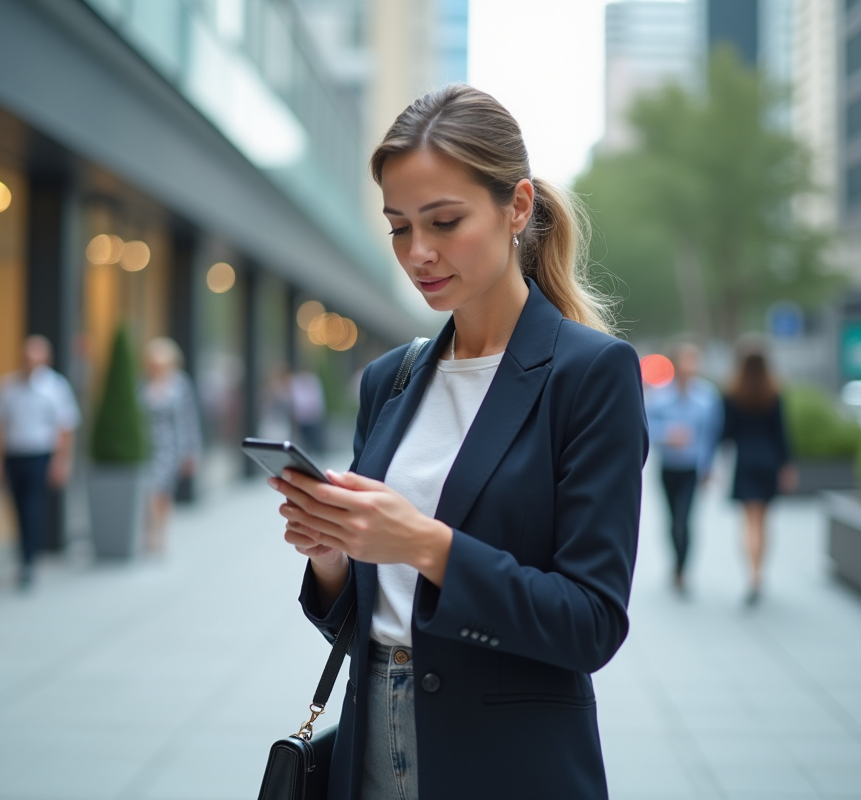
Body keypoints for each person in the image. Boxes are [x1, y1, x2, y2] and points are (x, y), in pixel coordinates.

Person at [267, 85, 648, 799]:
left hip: (508, 760)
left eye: (444, 221)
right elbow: (367, 612)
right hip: (370, 740)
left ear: (519, 207)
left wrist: (425, 545)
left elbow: (592, 624)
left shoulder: (591, 375)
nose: (420, 252)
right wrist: (332, 554)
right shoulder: (391, 378)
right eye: (399, 227)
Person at [0, 335, 80, 589]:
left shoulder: (55, 387)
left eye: (35, 357)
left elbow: (65, 427)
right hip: (14, 453)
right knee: (17, 506)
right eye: (27, 357)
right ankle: (25, 554)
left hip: (40, 454)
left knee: (31, 506)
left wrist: (61, 460)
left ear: (45, 359)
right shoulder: (7, 387)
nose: (30, 362)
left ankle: (29, 559)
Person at [721, 340, 796, 606]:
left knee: (748, 522)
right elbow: (782, 434)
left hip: (745, 462)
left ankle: (751, 575)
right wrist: (787, 465)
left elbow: (726, 434)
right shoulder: (774, 394)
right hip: (769, 462)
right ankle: (760, 573)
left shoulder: (732, 395)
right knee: (763, 522)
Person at [646, 342, 722, 593]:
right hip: (668, 467)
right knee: (671, 520)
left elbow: (711, 436)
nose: (691, 366)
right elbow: (645, 428)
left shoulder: (707, 397)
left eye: (694, 360)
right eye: (686, 360)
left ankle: (682, 569)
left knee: (684, 519)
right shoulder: (658, 397)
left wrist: (708, 466)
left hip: (692, 468)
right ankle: (675, 562)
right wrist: (667, 435)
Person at [141, 337, 201, 554]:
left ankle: (159, 534)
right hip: (147, 447)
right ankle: (149, 532)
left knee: (161, 491)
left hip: (171, 447)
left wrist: (191, 451)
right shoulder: (143, 385)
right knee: (149, 490)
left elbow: (189, 419)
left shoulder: (180, 384)